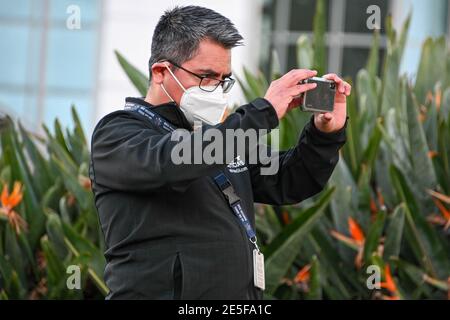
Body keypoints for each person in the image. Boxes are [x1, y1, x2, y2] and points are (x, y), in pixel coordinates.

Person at [89, 5, 351, 300]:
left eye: (223, 79)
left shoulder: (215, 140)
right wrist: (263, 112)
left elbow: (291, 180)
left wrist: (324, 134)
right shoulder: (118, 134)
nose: (217, 89)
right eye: (206, 76)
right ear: (161, 72)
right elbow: (176, 162)